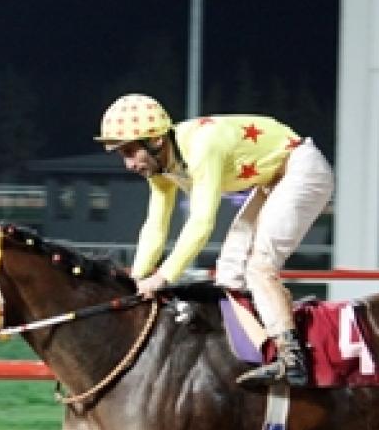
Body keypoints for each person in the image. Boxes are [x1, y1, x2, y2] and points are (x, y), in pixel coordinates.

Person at [94, 93, 335, 388]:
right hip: (272, 181)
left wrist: (163, 277)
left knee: (259, 267)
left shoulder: (201, 146)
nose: (129, 164)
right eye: (123, 155)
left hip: (302, 171)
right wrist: (137, 278)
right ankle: (258, 350)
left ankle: (292, 358)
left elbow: (201, 222)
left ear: (155, 140)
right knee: (229, 271)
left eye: (131, 152)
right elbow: (155, 226)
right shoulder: (160, 165)